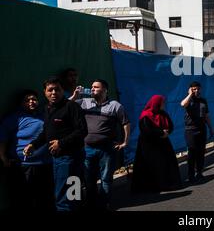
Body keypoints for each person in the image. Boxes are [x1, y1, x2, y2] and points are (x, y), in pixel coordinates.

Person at [23, 77, 87, 212]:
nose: (53, 93)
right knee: (72, 193)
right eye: (50, 90)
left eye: (57, 89)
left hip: (70, 158)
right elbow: (46, 132)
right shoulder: (48, 108)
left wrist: (61, 143)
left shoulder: (71, 106)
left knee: (66, 195)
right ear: (44, 92)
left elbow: (82, 130)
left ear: (62, 90)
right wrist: (33, 145)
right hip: (58, 158)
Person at [75, 79, 130, 210]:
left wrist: (125, 142)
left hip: (107, 149)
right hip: (87, 148)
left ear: (105, 90)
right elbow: (66, 106)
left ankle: (104, 203)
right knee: (89, 178)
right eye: (92, 87)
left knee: (106, 178)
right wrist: (75, 96)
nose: (92, 89)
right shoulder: (84, 102)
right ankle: (91, 203)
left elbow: (126, 123)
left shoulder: (115, 106)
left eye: (96, 87)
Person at [0, 90, 54, 211]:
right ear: (21, 103)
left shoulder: (44, 115)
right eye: (27, 100)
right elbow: (2, 137)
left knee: (44, 199)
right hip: (23, 166)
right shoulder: (14, 117)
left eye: (34, 99)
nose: (31, 102)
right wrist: (2, 156)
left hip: (45, 165)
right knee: (22, 199)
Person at [131, 95, 181, 193]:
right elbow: (146, 129)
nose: (164, 104)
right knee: (152, 165)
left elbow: (170, 125)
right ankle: (153, 186)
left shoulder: (163, 114)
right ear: (156, 103)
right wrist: (162, 133)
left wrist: (167, 132)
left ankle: (168, 184)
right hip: (149, 145)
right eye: (162, 103)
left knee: (166, 163)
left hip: (163, 143)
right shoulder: (146, 115)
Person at [180, 82, 214, 183]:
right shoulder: (188, 100)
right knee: (192, 153)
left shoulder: (203, 101)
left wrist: (210, 128)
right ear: (190, 89)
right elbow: (183, 104)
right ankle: (191, 175)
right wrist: (190, 94)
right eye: (194, 89)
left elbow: (206, 115)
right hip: (190, 130)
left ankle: (199, 172)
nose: (197, 91)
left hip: (202, 129)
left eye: (198, 89)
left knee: (201, 152)